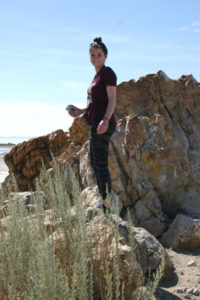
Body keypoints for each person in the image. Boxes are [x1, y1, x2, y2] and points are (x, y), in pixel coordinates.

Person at [67, 37, 117, 211]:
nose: (96, 58)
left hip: (103, 122)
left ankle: (107, 204)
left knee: (100, 163)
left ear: (105, 56)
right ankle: (106, 201)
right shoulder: (97, 76)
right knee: (95, 162)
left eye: (99, 55)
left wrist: (105, 119)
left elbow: (112, 100)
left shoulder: (107, 73)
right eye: (93, 55)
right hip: (96, 121)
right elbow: (95, 103)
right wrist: (80, 111)